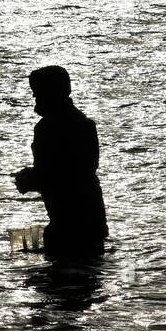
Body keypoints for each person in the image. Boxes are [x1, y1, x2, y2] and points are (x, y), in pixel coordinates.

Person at [13, 66, 108, 256]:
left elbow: (58, 177)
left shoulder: (48, 129)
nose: (35, 98)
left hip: (68, 226)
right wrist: (33, 177)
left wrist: (29, 180)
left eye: (37, 93)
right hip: (91, 221)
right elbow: (73, 171)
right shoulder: (84, 124)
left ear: (50, 93)